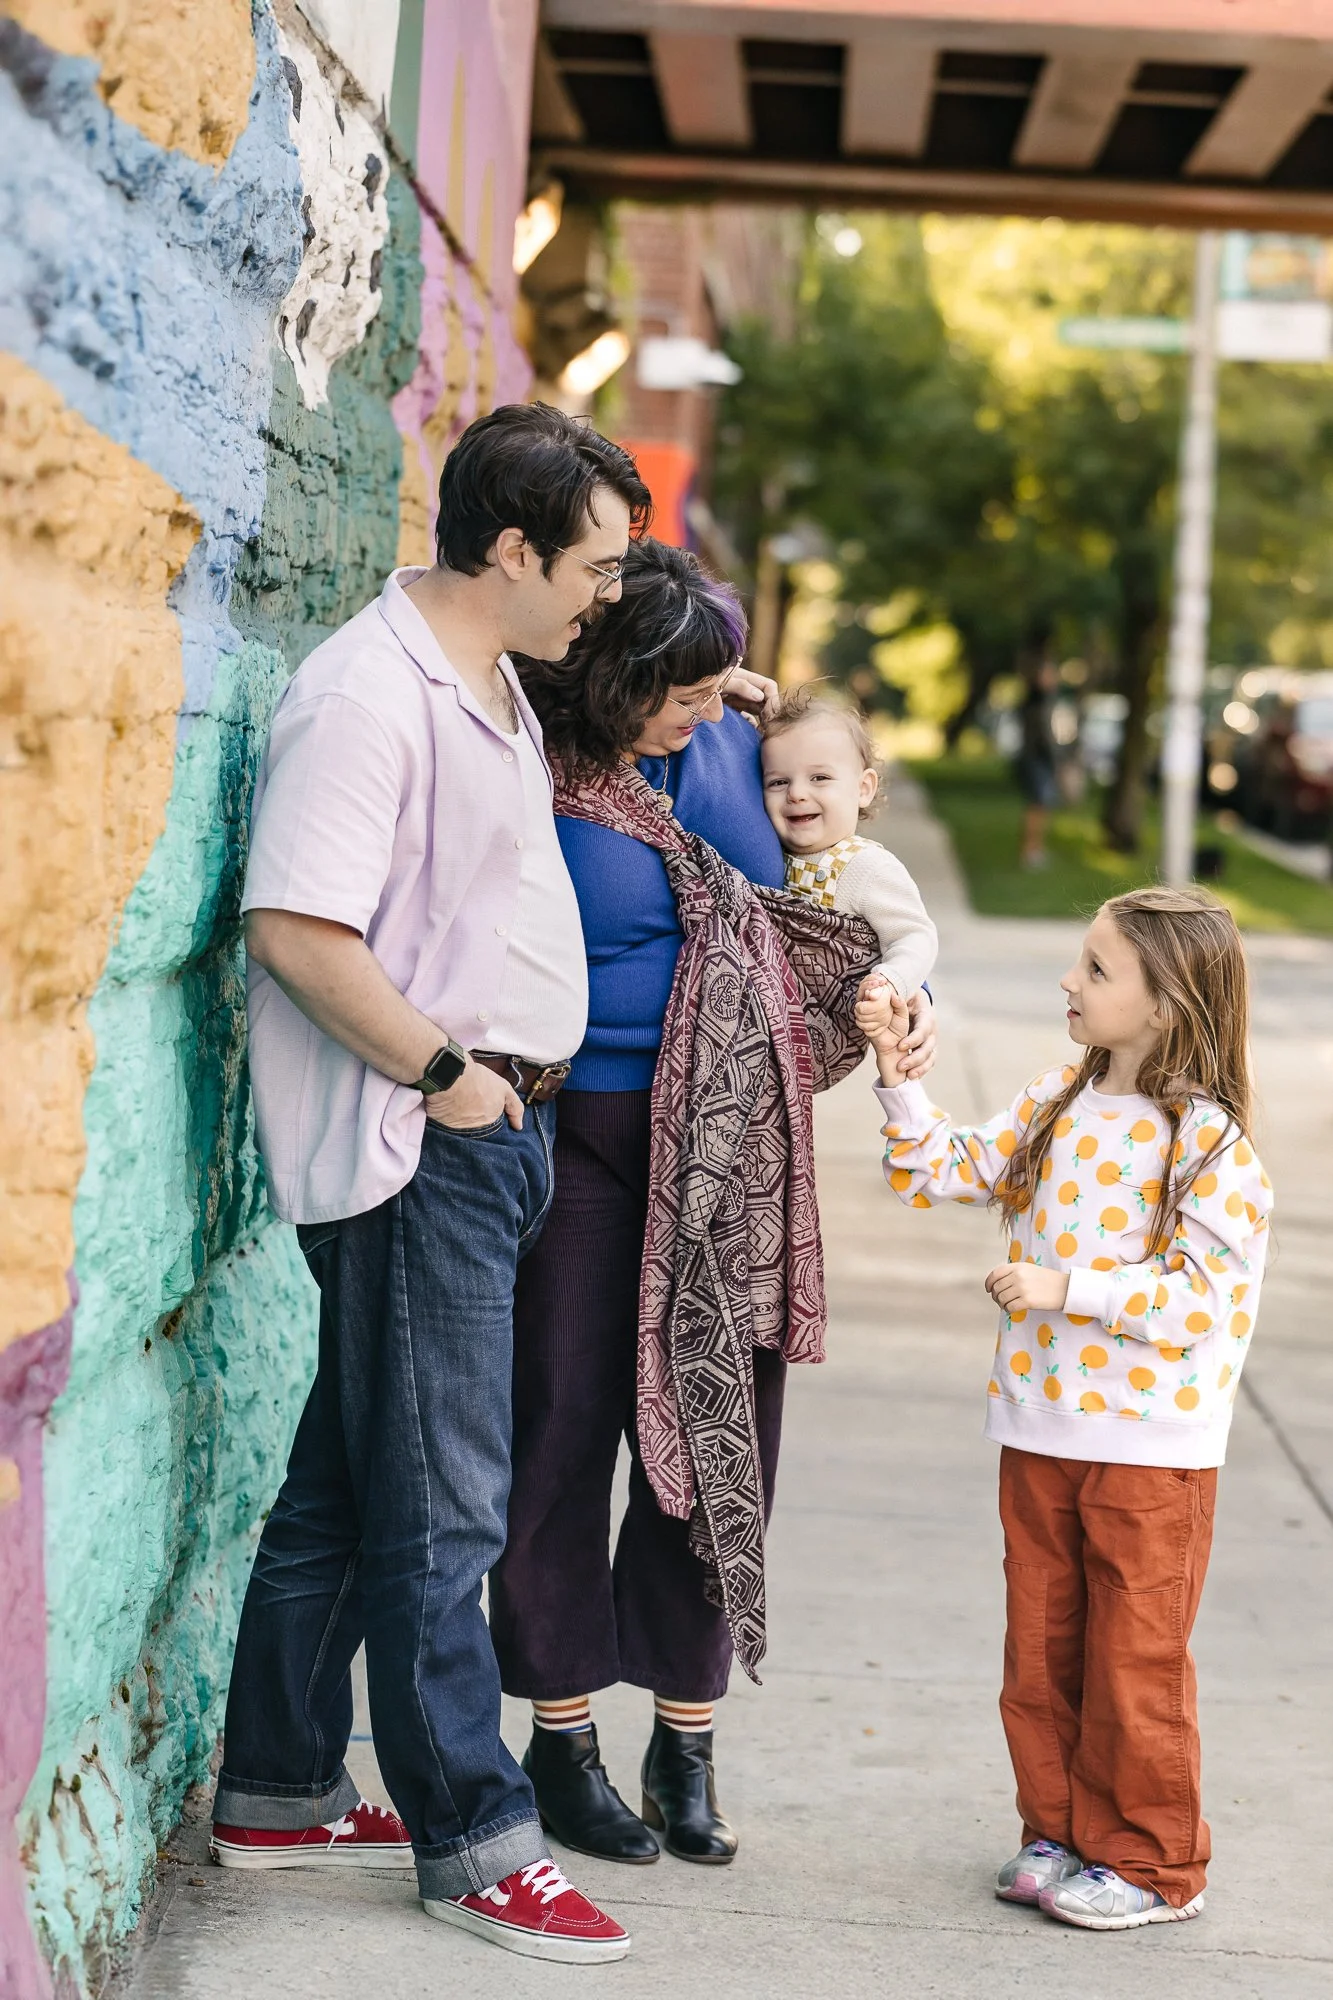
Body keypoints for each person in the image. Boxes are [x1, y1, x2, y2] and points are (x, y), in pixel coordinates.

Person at [210, 403, 651, 1965]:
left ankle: (275, 1785)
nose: (608, 594)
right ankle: (476, 1837)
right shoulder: (367, 698)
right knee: (448, 1506)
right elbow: (297, 928)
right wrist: (452, 1078)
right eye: (594, 566)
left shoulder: (489, 676)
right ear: (512, 550)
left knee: (348, 1481)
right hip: (425, 1144)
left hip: (484, 1136)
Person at [490, 539, 938, 1869]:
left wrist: (905, 992)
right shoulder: (534, 752)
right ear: (613, 671)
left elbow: (852, 898)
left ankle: (684, 1742)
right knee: (560, 1422)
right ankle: (562, 1736)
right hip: (579, 1128)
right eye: (674, 689)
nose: (697, 709)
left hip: (736, 1148)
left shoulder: (748, 742)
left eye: (709, 684)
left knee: (719, 1427)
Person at [861, 886, 1272, 1931]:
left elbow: (1201, 1303)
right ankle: (1059, 1831)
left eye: (1095, 968)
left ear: (1166, 1002)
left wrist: (1065, 1287)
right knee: (1040, 1656)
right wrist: (901, 1082)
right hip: (1039, 1428)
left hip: (1150, 1448)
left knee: (1133, 1662)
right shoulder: (1059, 1097)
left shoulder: (1208, 1144)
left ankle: (1153, 1864)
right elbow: (950, 1169)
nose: (1068, 981)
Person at [760, 688, 937, 1065]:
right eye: (778, 782)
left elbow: (915, 935)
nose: (796, 793)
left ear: (863, 789)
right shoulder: (771, 850)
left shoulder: (867, 867)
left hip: (833, 1023)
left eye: (820, 777)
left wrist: (891, 980)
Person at [1013, 660, 1061, 869]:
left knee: (1042, 806)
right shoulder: (1035, 704)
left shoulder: (1043, 701)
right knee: (1037, 806)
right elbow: (1042, 736)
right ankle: (1030, 850)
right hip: (1036, 759)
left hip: (1039, 759)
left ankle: (1036, 849)